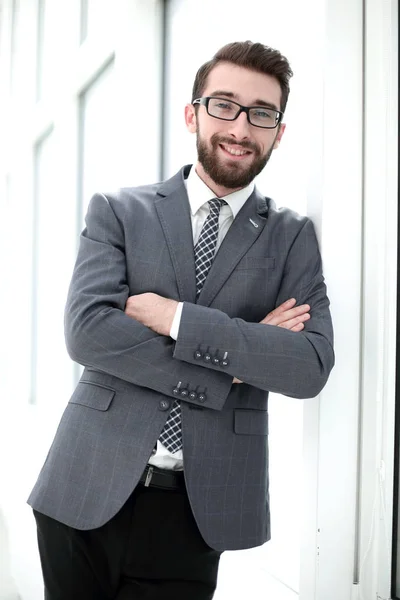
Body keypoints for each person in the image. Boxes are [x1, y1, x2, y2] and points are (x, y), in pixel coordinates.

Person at [28, 41, 334, 600]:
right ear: (193, 112)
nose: (241, 126)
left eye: (261, 113)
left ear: (278, 132)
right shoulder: (119, 210)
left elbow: (309, 366)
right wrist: (238, 361)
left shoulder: (292, 238)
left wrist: (175, 318)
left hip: (199, 508)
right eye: (224, 104)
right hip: (84, 483)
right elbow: (88, 332)